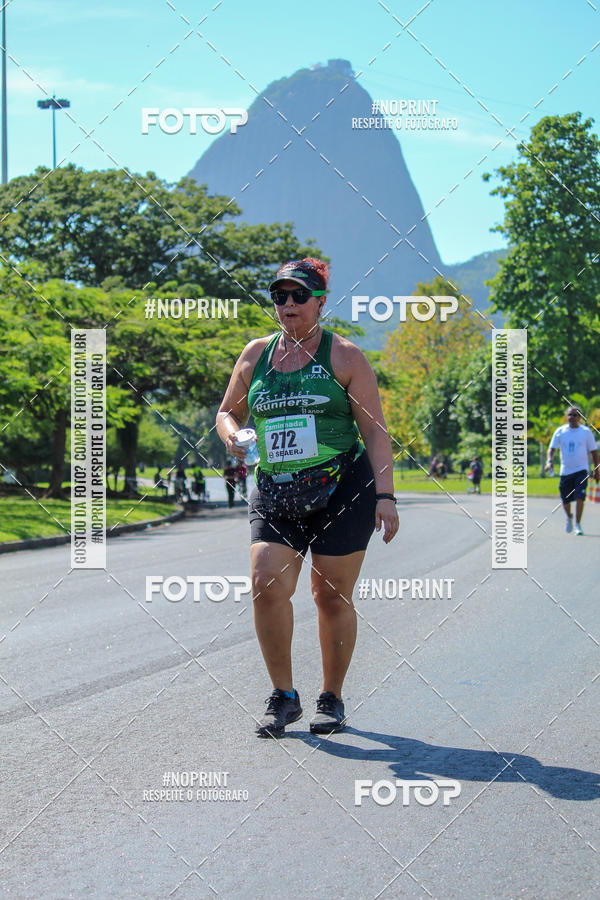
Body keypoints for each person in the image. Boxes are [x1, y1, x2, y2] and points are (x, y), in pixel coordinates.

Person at [216, 257, 399, 738]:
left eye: (299, 295)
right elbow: (226, 413)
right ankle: (284, 696)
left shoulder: (345, 357)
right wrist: (232, 434)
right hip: (276, 486)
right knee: (265, 583)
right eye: (280, 296)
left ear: (320, 301)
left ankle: (331, 697)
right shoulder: (255, 354)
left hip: (342, 486)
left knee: (329, 595)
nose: (289, 304)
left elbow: (376, 433)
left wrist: (386, 496)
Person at [546, 406, 599, 535]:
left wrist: (596, 469)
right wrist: (549, 461)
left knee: (580, 497)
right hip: (565, 471)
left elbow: (593, 452)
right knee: (566, 500)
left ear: (580, 417)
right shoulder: (560, 431)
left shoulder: (586, 432)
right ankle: (569, 517)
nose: (572, 417)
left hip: (581, 470)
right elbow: (552, 449)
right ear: (567, 416)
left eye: (575, 415)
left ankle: (578, 524)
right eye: (570, 415)